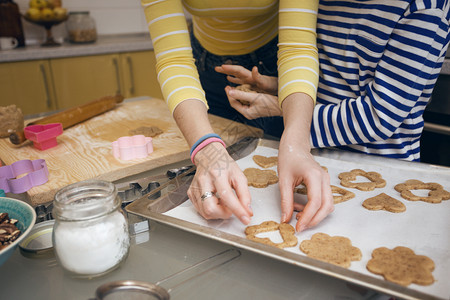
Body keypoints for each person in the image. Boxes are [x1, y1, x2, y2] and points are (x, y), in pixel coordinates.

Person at [141, 0, 334, 232]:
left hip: (274, 63)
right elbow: (175, 60)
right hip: (204, 64)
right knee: (215, 172)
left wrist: (297, 141)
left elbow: (297, 48)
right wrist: (206, 148)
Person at [217, 0, 450, 164]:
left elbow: (380, 117)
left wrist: (281, 108)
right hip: (309, 155)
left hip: (380, 166)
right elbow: (333, 81)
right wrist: (280, 87)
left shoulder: (426, 8)